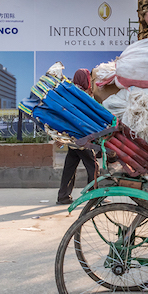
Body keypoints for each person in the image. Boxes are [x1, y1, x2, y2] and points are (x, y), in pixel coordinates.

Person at [56, 69, 97, 205]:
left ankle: (63, 196)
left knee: (70, 166)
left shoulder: (70, 92)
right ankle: (94, 196)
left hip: (71, 137)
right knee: (92, 166)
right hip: (81, 137)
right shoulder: (82, 95)